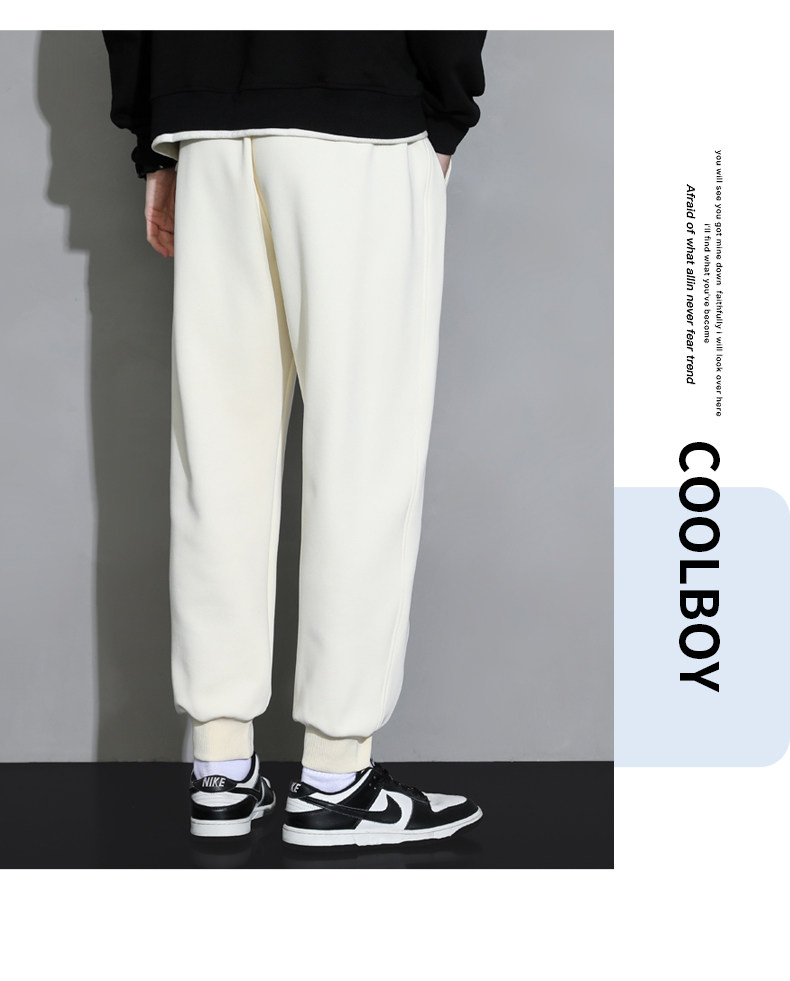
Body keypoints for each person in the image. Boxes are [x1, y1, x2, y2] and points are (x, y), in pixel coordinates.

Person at [103, 29, 487, 847]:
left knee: (217, 458)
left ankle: (220, 767)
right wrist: (446, 110)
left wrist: (156, 139)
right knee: (362, 455)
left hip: (207, 124)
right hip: (360, 111)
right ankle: (335, 780)